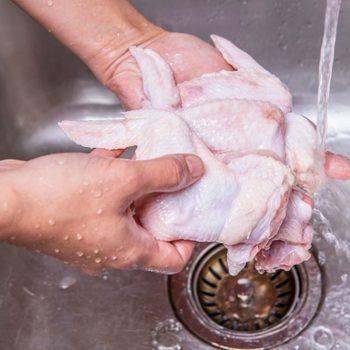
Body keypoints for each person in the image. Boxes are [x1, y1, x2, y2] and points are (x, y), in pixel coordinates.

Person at [0, 0, 349, 276]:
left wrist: (126, 46)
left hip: (225, 178)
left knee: (270, 112)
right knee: (266, 114)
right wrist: (23, 209)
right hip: (222, 182)